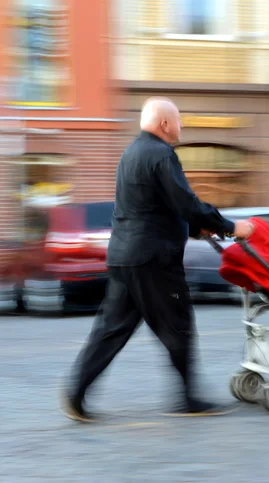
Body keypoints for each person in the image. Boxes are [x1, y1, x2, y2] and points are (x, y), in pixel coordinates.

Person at [61, 97, 255, 422]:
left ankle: (75, 393)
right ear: (164, 124)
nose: (181, 127)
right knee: (178, 325)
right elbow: (185, 202)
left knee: (111, 329)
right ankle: (189, 398)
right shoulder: (163, 155)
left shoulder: (130, 154)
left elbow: (157, 205)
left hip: (125, 257)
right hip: (154, 260)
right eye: (178, 121)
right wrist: (230, 226)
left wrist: (196, 228)